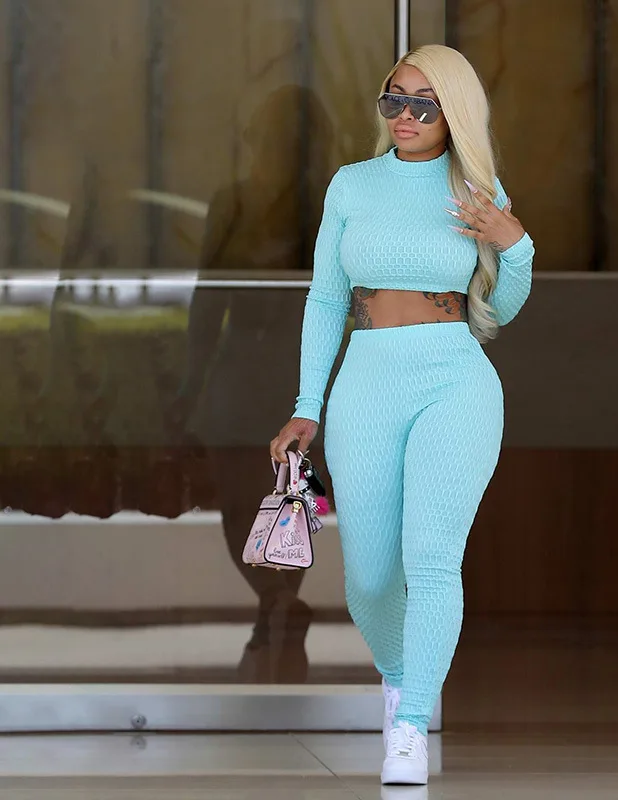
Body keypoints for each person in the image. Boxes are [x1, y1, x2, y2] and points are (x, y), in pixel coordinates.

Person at [270, 44, 535, 785]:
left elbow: (503, 310)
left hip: (455, 380)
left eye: (425, 103)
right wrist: (306, 408)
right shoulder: (352, 185)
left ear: (454, 114)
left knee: (431, 556)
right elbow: (326, 300)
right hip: (366, 382)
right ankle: (402, 679)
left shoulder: (475, 189)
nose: (407, 115)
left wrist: (515, 246)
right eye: (396, 99)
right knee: (368, 577)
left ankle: (411, 724)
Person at [174, 84, 332, 683]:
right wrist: (191, 385)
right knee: (253, 503)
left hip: (290, 373)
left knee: (283, 502)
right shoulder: (236, 202)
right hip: (250, 373)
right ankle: (277, 607)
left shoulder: (323, 205)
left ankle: (277, 610)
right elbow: (207, 300)